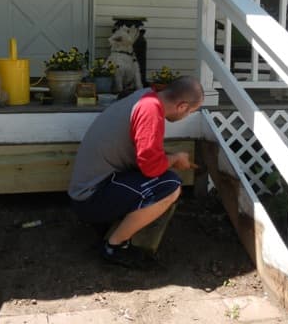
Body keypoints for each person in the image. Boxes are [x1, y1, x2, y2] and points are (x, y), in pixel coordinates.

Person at [68, 75, 204, 267]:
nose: (186, 116)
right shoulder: (150, 112)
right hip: (91, 198)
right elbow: (151, 169)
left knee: (163, 179)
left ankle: (112, 226)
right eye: (190, 112)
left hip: (94, 186)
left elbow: (144, 153)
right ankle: (114, 247)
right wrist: (175, 159)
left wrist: (170, 157)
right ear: (182, 106)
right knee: (170, 186)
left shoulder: (146, 97)